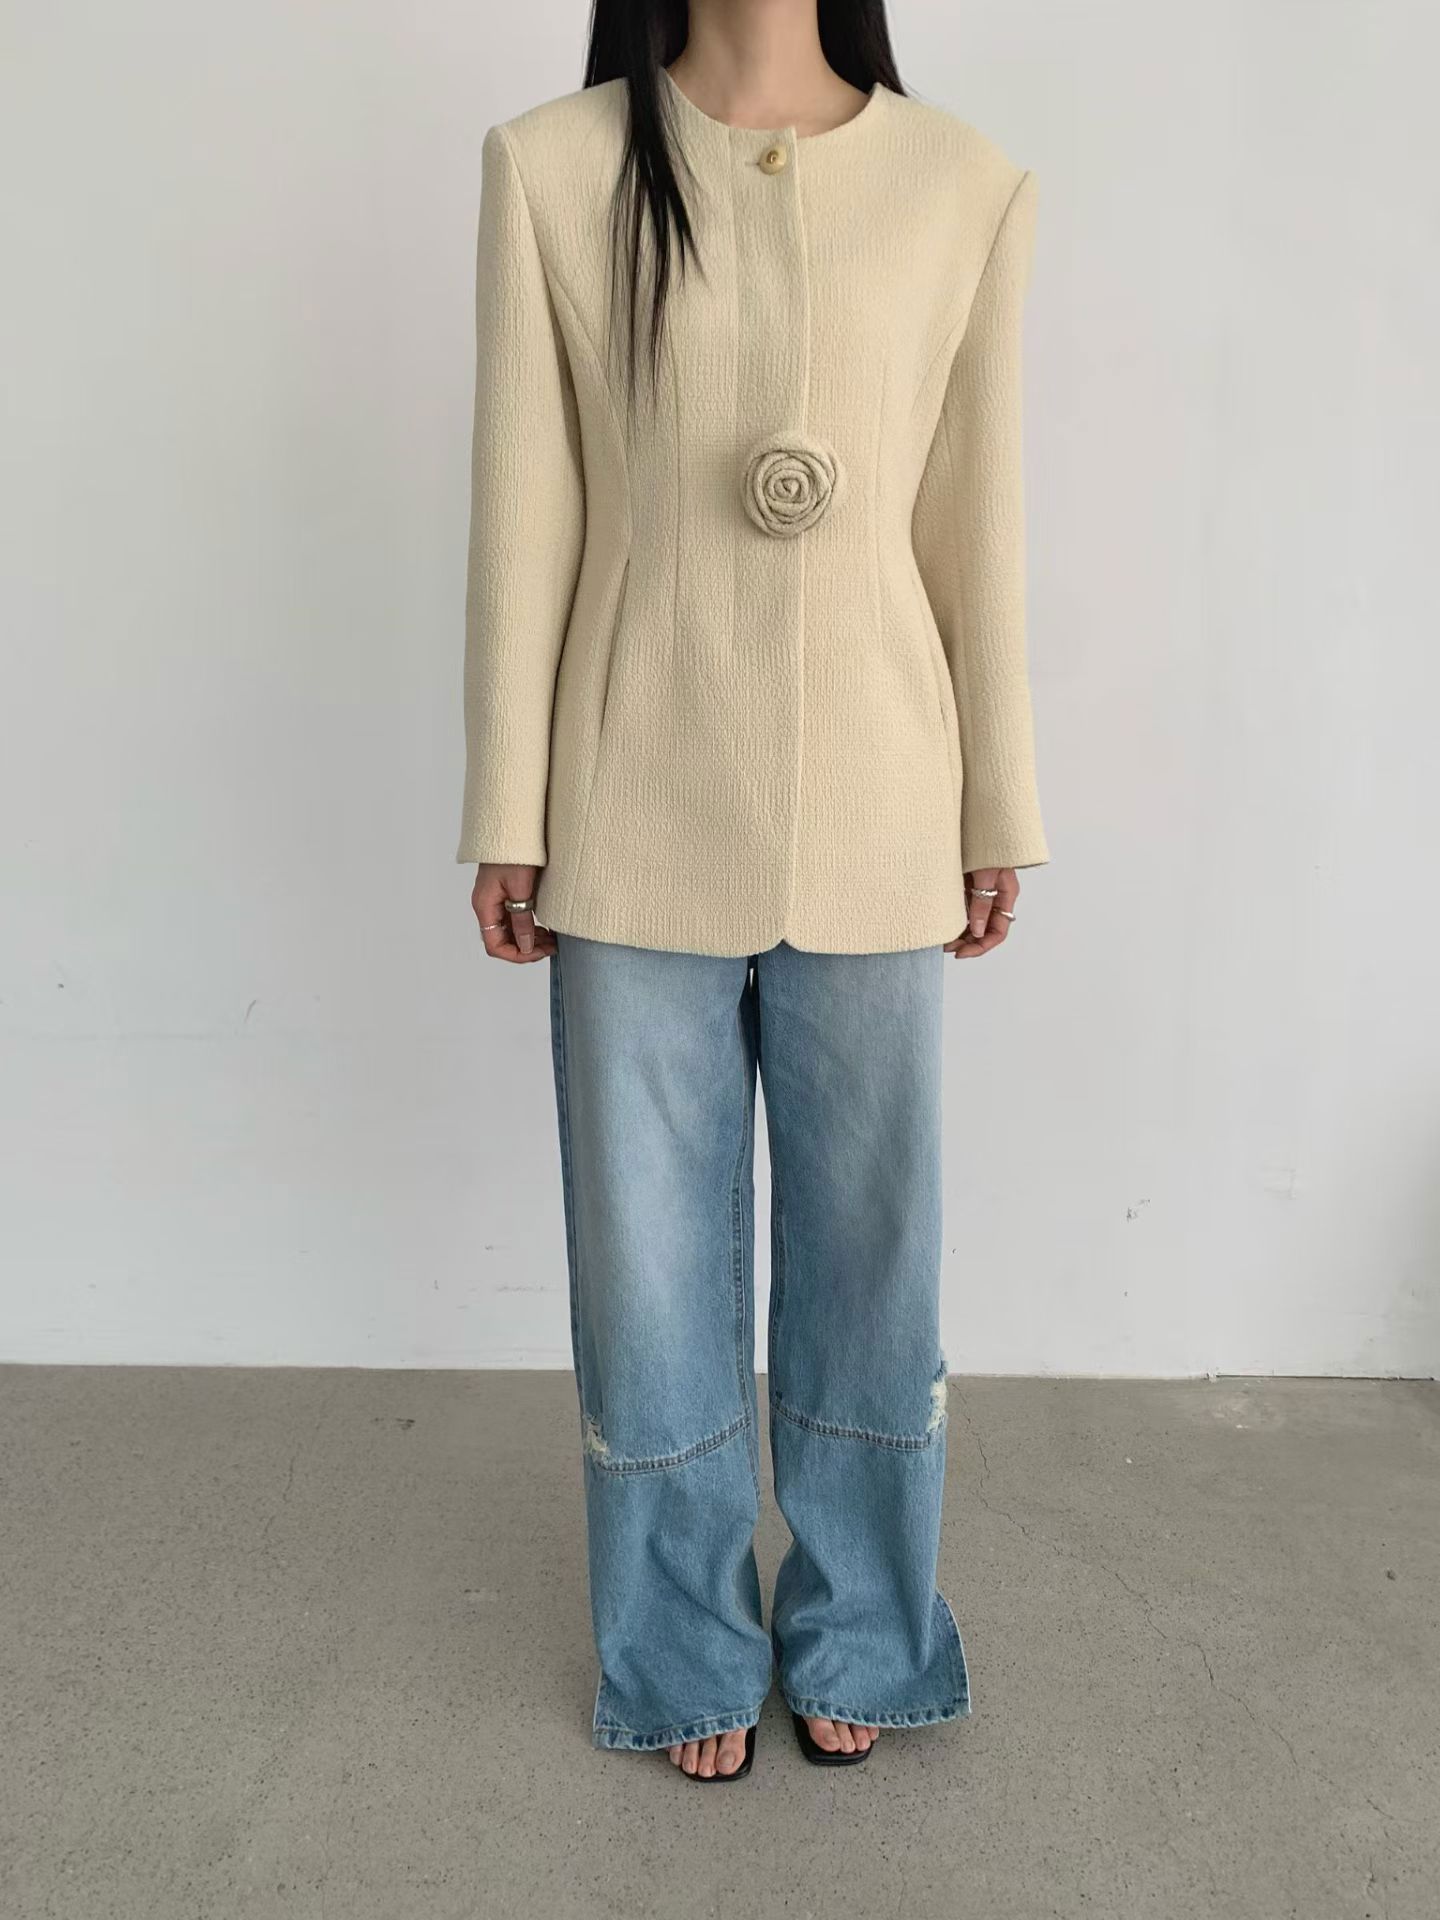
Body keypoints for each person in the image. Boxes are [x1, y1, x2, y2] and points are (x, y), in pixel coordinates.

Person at [457, 0, 1047, 1782]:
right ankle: (679, 1647)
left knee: (876, 1248)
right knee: (646, 1266)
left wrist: (997, 799)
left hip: (881, 797)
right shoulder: (556, 168)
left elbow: (975, 517)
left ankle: (867, 1626)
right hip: (631, 796)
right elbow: (527, 510)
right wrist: (507, 806)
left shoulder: (961, 180)